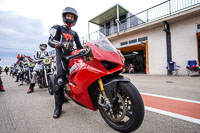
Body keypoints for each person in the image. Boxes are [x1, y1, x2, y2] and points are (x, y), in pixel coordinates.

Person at [48, 7, 84, 118]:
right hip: (61, 57)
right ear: (64, 17)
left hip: (72, 57)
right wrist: (61, 44)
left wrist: (87, 51)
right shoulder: (57, 28)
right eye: (68, 16)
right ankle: (58, 108)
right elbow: (50, 41)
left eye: (72, 17)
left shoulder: (74, 33)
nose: (70, 18)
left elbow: (80, 47)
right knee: (59, 81)